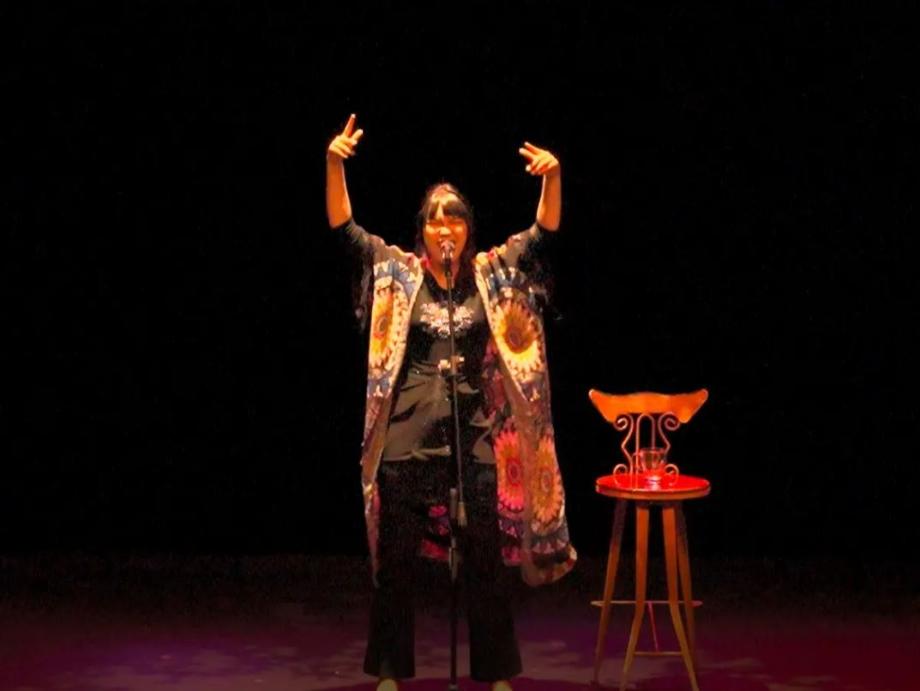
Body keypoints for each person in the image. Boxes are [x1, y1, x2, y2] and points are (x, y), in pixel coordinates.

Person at [326, 114, 576, 691]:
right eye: (435, 218)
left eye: (455, 217)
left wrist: (553, 178)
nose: (445, 226)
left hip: (474, 436)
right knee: (397, 563)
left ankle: (496, 673)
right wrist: (335, 164)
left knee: (485, 560)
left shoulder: (490, 275)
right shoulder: (399, 274)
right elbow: (346, 232)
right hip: (408, 439)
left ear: (467, 229)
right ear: (423, 230)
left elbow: (542, 235)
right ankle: (391, 672)